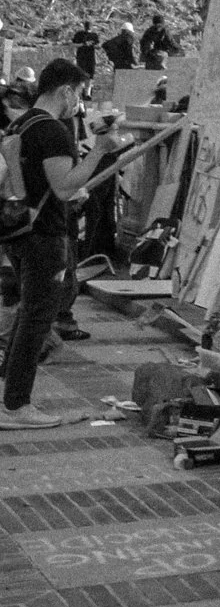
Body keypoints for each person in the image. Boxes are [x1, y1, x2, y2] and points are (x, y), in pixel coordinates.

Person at [0, 60, 129, 427]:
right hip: (45, 235)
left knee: (28, 312)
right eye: (81, 93)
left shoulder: (20, 122)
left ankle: (10, 392)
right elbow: (64, 186)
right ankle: (17, 405)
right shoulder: (53, 131)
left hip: (18, 229)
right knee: (38, 317)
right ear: (66, 91)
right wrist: (100, 150)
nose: (80, 103)